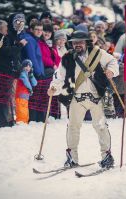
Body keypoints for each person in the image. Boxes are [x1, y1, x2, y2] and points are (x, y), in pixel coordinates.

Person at [47, 31, 119, 168]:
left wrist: (111, 71)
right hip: (76, 98)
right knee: (73, 127)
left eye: (80, 42)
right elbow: (59, 76)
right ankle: (72, 158)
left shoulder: (98, 53)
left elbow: (112, 61)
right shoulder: (67, 57)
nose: (77, 44)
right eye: (74, 42)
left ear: (86, 42)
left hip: (96, 97)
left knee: (101, 127)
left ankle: (107, 156)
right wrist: (53, 88)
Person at [15, 59, 37, 123]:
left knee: (25, 110)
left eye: (29, 66)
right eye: (26, 66)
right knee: (21, 110)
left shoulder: (28, 74)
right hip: (20, 96)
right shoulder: (22, 73)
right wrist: (30, 89)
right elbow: (25, 82)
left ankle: (25, 122)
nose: (28, 68)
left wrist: (32, 75)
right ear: (23, 66)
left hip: (25, 97)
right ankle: (21, 122)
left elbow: (35, 83)